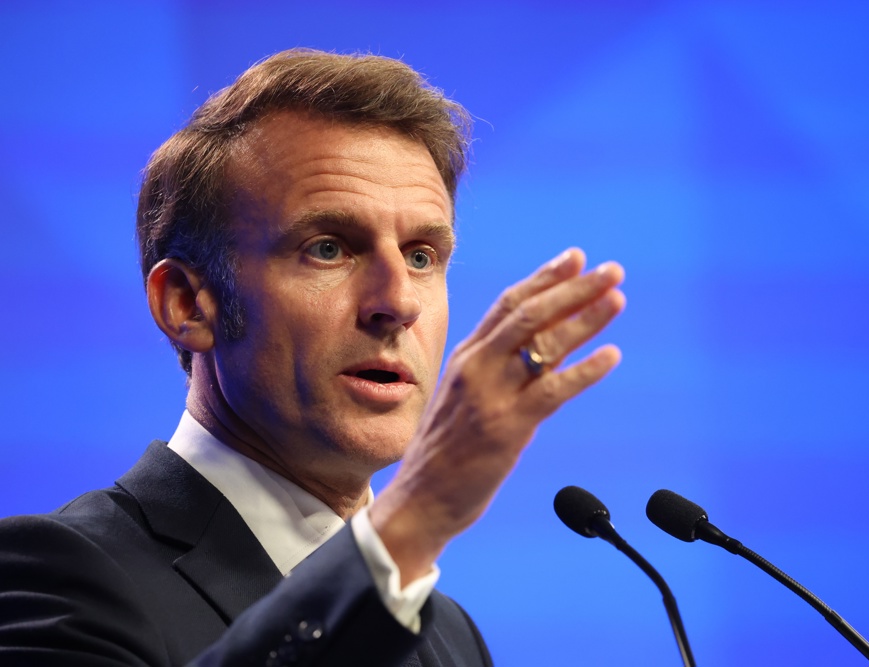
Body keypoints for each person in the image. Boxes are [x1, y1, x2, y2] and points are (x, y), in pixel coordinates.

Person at [0, 48, 625, 666]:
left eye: (421, 256)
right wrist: (417, 517)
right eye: (328, 248)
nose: (398, 302)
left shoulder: (450, 637)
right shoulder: (55, 576)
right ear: (187, 304)